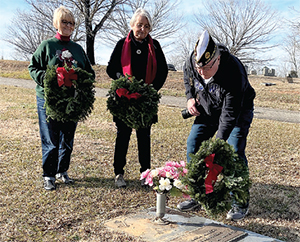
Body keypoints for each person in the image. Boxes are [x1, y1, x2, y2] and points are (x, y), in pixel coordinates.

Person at [177, 30, 256, 220]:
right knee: (193, 144)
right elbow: (188, 76)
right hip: (207, 108)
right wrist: (189, 98)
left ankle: (239, 200)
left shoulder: (234, 70)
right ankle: (197, 194)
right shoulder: (192, 61)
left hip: (237, 111)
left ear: (217, 60)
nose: (202, 73)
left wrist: (216, 148)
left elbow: (229, 116)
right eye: (199, 68)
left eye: (206, 68)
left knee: (234, 150)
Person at [28, 6, 95, 191]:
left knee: (67, 137)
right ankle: (48, 174)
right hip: (48, 100)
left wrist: (80, 78)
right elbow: (33, 67)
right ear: (57, 23)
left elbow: (89, 73)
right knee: (51, 137)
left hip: (71, 100)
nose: (68, 26)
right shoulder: (47, 46)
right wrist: (47, 79)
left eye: (72, 23)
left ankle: (62, 170)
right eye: (65, 22)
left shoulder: (77, 49)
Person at [106, 8, 168, 188]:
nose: (142, 29)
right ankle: (119, 173)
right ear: (132, 25)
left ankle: (145, 173)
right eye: (139, 25)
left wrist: (150, 90)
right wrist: (124, 84)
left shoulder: (154, 46)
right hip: (125, 98)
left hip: (145, 100)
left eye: (146, 26)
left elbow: (163, 71)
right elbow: (111, 69)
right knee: (123, 136)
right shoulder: (121, 44)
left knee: (144, 137)